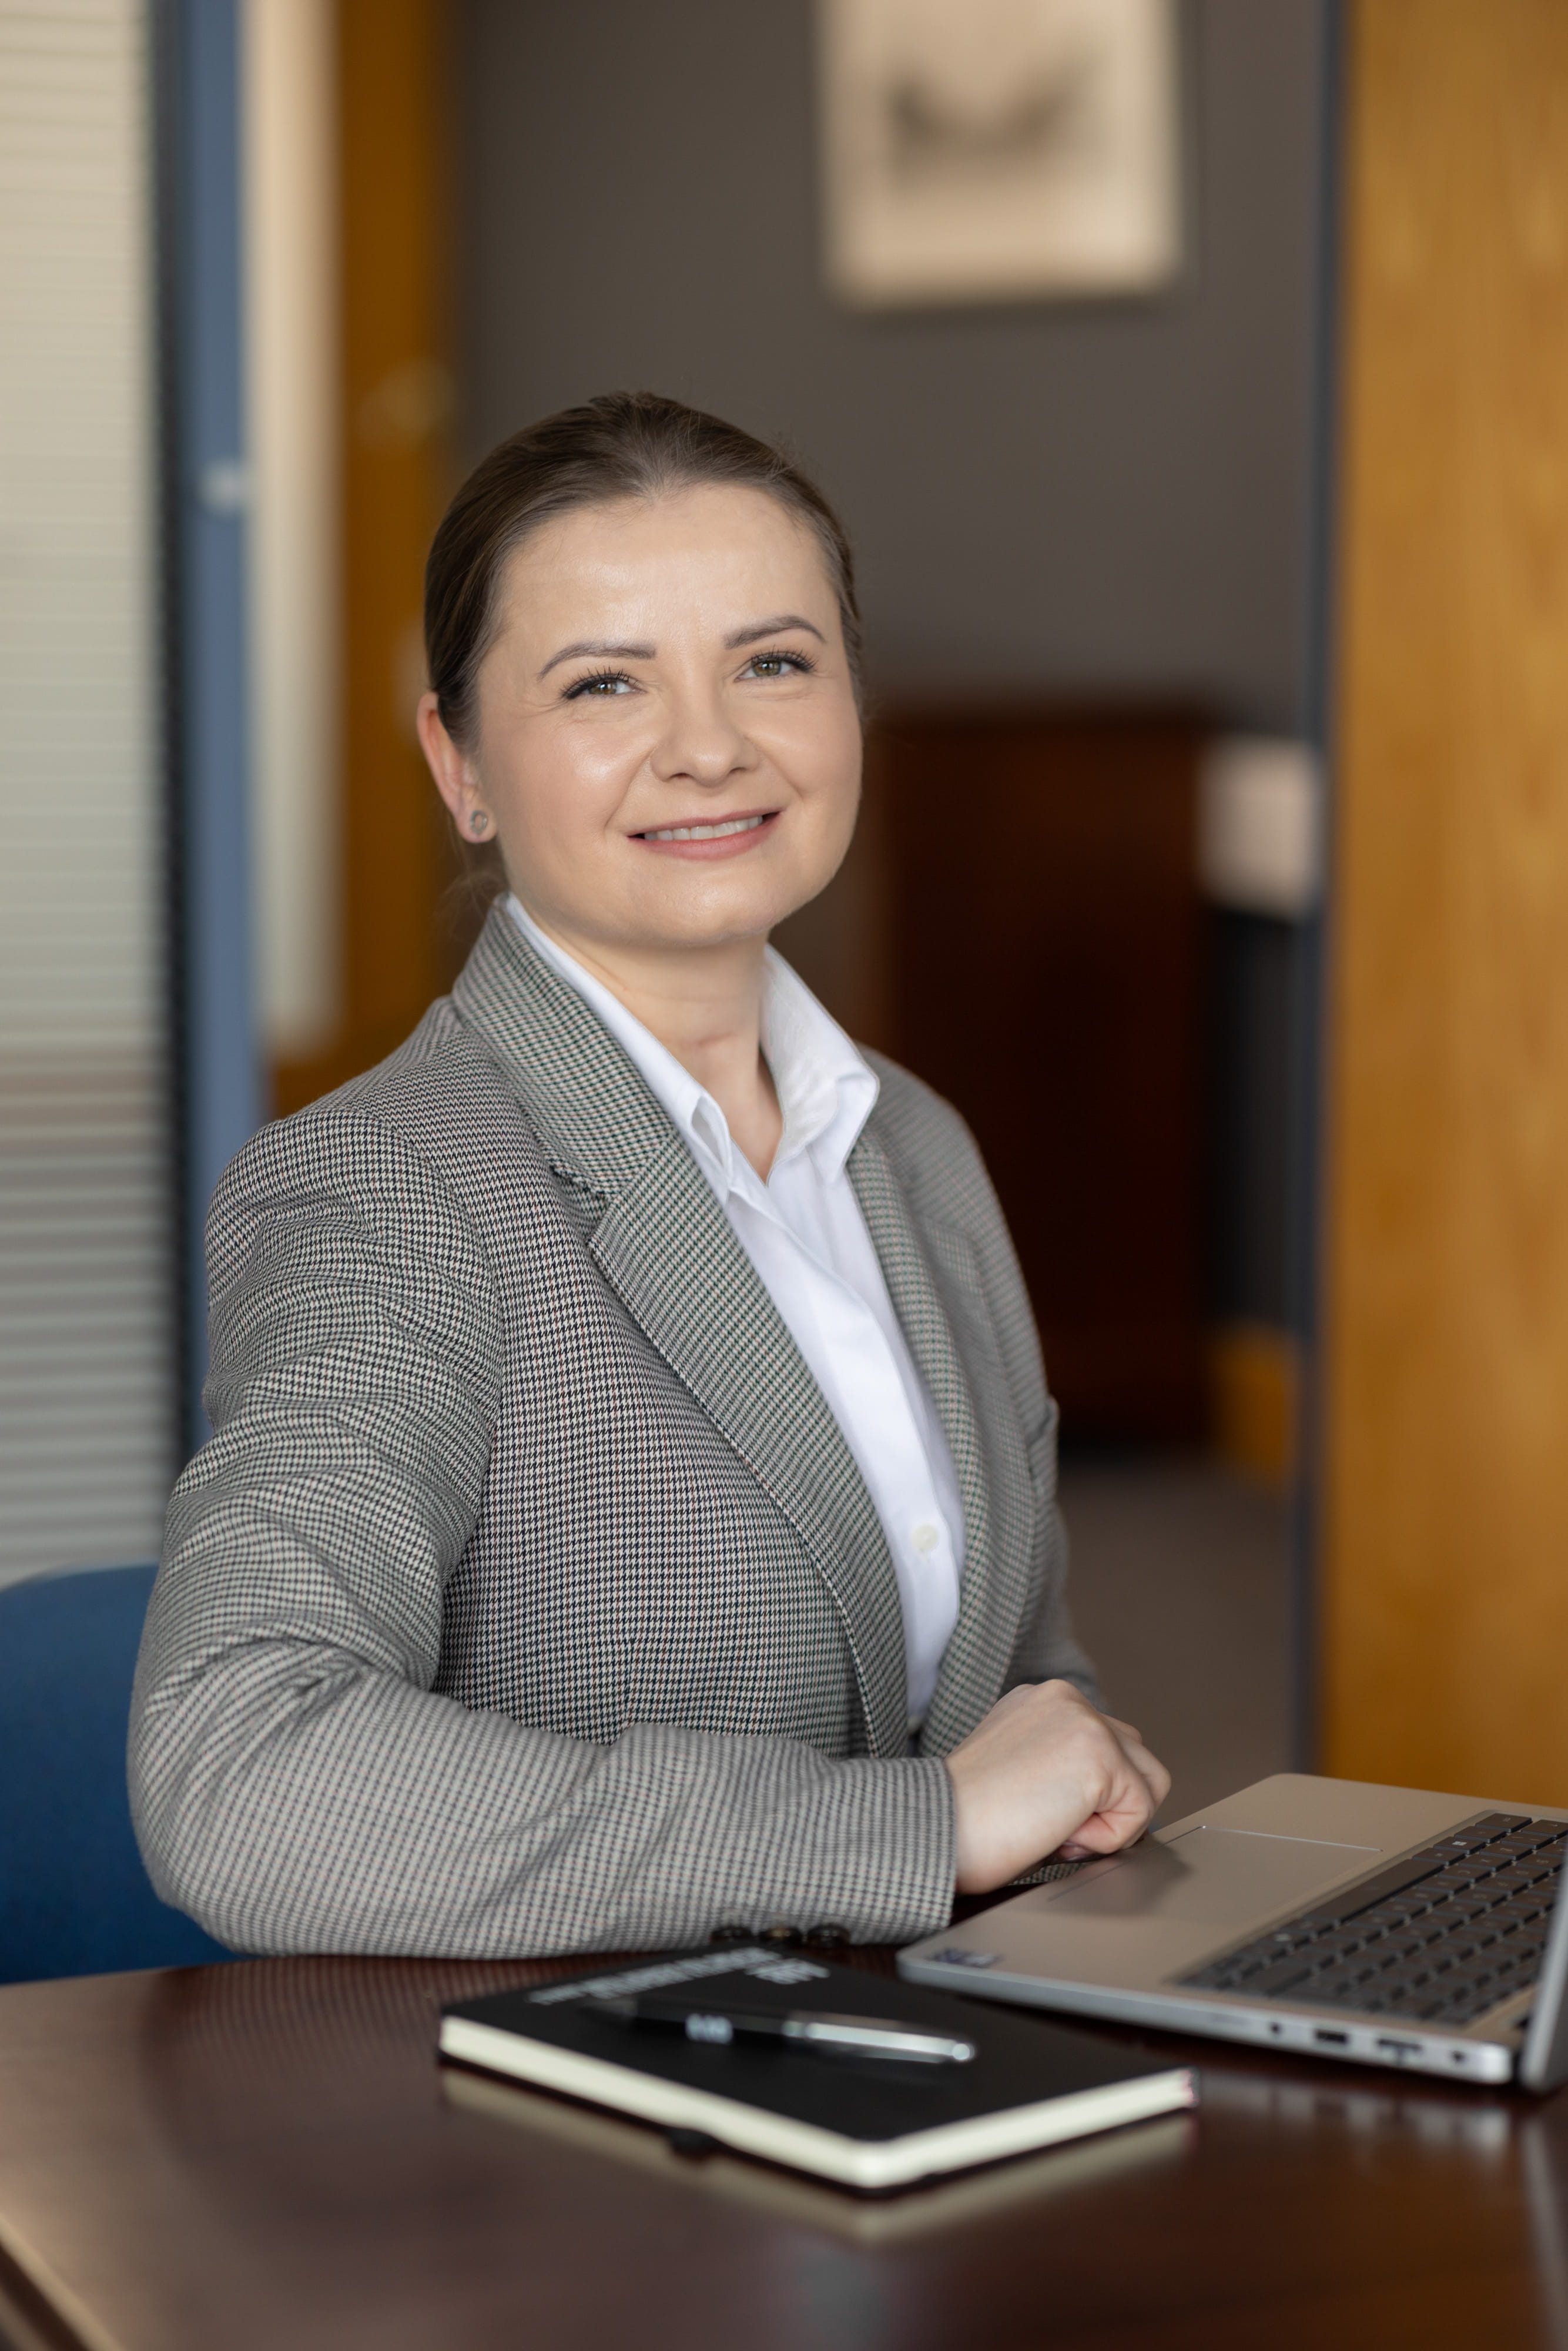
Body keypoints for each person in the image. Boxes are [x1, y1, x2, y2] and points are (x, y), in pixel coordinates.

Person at [130, 392, 1169, 1957]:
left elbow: (1010, 1673)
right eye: (604, 683)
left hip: (933, 2040)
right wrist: (922, 1832)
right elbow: (240, 1772)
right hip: (558, 2081)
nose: (709, 746)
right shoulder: (384, 1189)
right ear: (461, 764)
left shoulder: (915, 1144)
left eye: (774, 663)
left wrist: (1076, 1774)